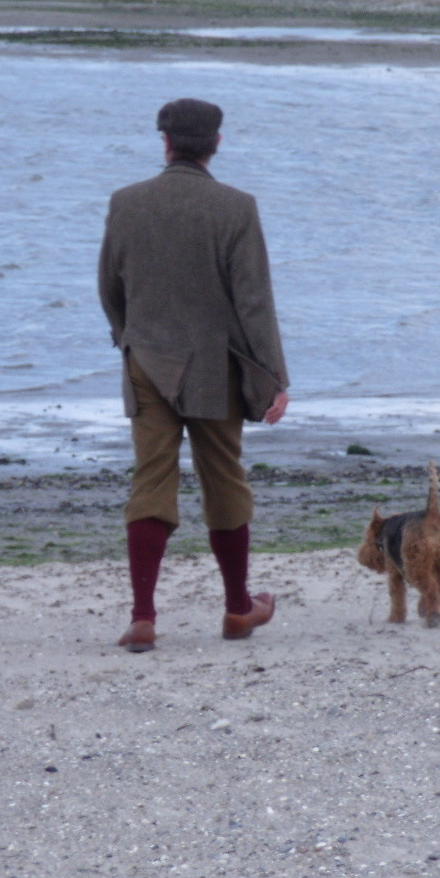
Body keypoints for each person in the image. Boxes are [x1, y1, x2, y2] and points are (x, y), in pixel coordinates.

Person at [98, 98, 290, 653]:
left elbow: (109, 288)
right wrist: (275, 377)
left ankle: (143, 617)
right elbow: (254, 303)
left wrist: (129, 340)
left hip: (147, 363)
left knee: (150, 481)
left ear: (165, 142)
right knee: (223, 479)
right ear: (217, 143)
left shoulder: (126, 203)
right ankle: (235, 609)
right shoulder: (237, 208)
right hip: (216, 367)